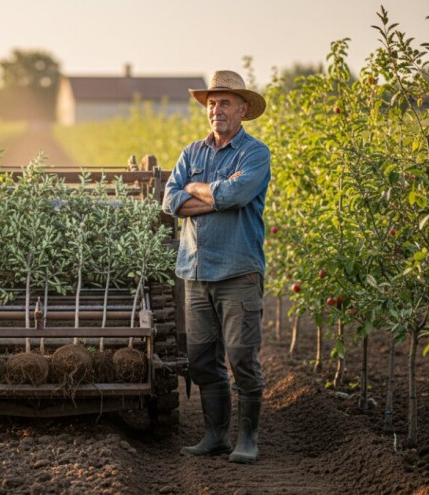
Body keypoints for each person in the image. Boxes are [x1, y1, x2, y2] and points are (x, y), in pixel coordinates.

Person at [161, 70, 270, 464]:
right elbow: (169, 201)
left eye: (225, 102)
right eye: (211, 103)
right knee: (202, 360)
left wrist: (197, 190)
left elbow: (236, 193)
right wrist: (207, 195)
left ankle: (247, 439)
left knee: (242, 359)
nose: (216, 110)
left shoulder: (255, 153)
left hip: (238, 272)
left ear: (243, 108)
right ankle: (215, 436)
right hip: (195, 271)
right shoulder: (192, 152)